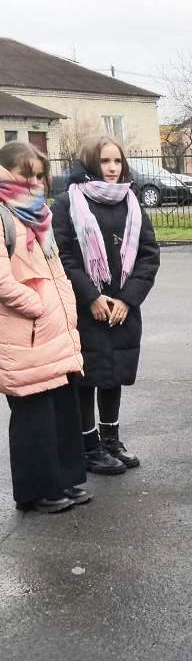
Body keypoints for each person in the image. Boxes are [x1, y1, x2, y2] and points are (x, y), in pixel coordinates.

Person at [51, 135, 160, 475]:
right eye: (105, 162)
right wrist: (92, 296)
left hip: (122, 307)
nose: (112, 168)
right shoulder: (68, 203)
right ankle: (89, 445)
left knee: (113, 375)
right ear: (90, 163)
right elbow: (63, 255)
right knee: (87, 377)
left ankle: (111, 440)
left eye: (117, 162)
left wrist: (128, 300)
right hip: (87, 306)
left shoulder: (132, 202)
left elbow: (148, 255)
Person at [0, 143, 88, 513]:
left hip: (53, 331)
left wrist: (64, 309)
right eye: (26, 174)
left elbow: (56, 270)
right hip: (24, 334)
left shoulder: (38, 216)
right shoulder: (4, 216)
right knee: (33, 416)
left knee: (59, 410)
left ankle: (63, 481)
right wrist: (36, 307)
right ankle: (38, 492)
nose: (34, 182)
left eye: (39, 175)